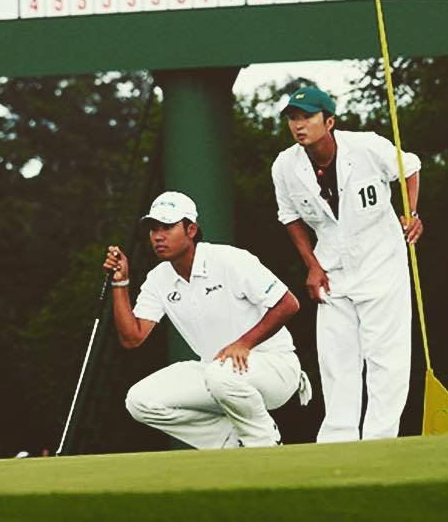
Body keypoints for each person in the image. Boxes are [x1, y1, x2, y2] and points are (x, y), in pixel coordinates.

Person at [271, 87, 424, 442]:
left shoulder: (367, 146)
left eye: (307, 117)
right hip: (332, 267)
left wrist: (411, 212)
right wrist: (311, 265)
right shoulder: (285, 166)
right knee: (336, 358)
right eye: (293, 118)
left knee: (386, 358)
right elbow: (289, 216)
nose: (299, 125)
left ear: (329, 121)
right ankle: (338, 440)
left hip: (381, 262)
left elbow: (411, 167)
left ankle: (379, 440)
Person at [107, 191, 310, 449]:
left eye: (168, 227)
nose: (158, 236)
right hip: (216, 372)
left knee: (220, 374)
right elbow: (132, 337)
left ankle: (264, 444)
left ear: (191, 230)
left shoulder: (229, 259)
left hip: (274, 367)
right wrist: (121, 283)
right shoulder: (158, 279)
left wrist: (244, 343)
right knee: (139, 401)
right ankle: (231, 441)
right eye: (153, 229)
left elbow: (288, 303)